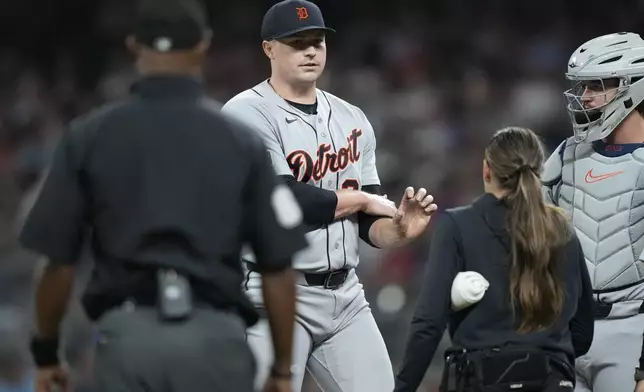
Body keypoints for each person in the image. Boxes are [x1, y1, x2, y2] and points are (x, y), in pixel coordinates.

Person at [18, 0, 307, 391]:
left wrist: (48, 355)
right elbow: (278, 268)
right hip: (216, 340)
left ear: (134, 46)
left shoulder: (89, 136)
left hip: (127, 339)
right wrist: (282, 369)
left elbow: (57, 264)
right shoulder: (241, 141)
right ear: (203, 46)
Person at [221, 1, 438, 391]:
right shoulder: (245, 113)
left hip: (347, 298)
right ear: (269, 48)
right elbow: (285, 201)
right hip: (274, 294)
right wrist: (361, 201)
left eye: (317, 42)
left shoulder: (352, 118)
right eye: (297, 42)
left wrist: (399, 229)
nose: (310, 51)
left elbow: (369, 225)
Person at [395, 127, 595, 392]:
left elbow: (428, 325)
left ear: (486, 170)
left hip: (478, 379)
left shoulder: (457, 226)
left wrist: (404, 387)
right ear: (539, 172)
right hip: (552, 380)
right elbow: (582, 331)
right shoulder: (562, 230)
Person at [541, 32, 644, 392]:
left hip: (632, 330)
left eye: (595, 87)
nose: (584, 98)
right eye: (582, 88)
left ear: (632, 87)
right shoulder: (567, 154)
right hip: (565, 329)